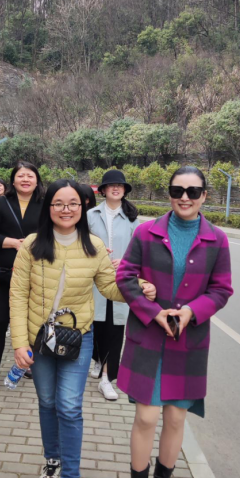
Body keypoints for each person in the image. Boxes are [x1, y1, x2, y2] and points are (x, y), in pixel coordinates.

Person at [9, 179, 156, 478]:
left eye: (73, 203)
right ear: (48, 207)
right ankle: (52, 462)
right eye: (59, 203)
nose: (66, 209)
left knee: (69, 406)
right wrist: (19, 342)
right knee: (47, 402)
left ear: (83, 207)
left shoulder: (94, 246)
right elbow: (17, 296)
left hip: (78, 338)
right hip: (38, 338)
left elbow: (109, 286)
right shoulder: (31, 245)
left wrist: (138, 288)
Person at [115, 165, 233, 478]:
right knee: (146, 418)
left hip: (188, 341)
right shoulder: (146, 232)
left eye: (193, 191)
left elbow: (221, 289)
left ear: (204, 196)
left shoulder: (217, 240)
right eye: (178, 190)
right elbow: (124, 276)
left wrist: (190, 312)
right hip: (149, 338)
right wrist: (153, 311)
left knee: (176, 419)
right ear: (169, 193)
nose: (185, 197)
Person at [0, 161, 45, 394]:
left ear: (37, 180)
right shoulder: (1, 203)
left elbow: (54, 233)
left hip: (36, 274)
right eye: (21, 176)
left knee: (33, 324)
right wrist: (14, 243)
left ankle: (27, 364)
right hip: (4, 274)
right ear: (13, 180)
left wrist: (33, 243)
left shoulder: (45, 203)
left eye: (30, 175)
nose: (25, 179)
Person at [87, 170, 140, 401]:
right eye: (111, 185)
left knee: (116, 328)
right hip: (94, 279)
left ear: (125, 190)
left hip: (121, 279)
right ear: (103, 190)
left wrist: (126, 261)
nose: (116, 188)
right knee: (97, 325)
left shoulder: (132, 218)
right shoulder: (90, 215)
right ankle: (98, 359)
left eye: (120, 185)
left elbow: (138, 249)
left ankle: (107, 379)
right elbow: (82, 243)